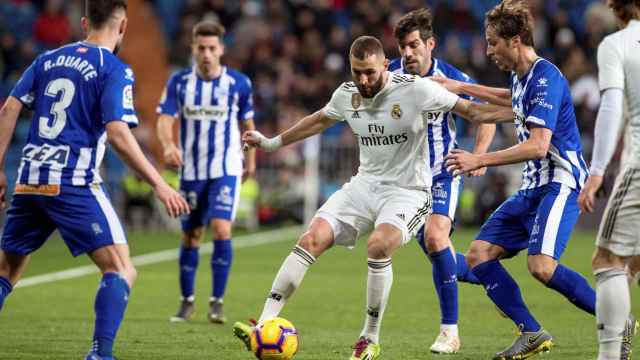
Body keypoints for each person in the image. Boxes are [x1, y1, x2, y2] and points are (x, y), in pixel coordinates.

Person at [232, 35, 512, 360]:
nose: (363, 80)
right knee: (310, 238)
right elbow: (319, 120)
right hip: (364, 185)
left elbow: (474, 113)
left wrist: (521, 112)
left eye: (370, 72)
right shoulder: (347, 94)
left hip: (409, 192)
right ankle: (264, 323)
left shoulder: (415, 89)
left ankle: (369, 337)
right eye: (357, 72)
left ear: (384, 65)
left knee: (378, 245)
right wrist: (270, 143)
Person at [0, 1, 190, 359]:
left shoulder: (46, 59)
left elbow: (9, 109)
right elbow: (118, 133)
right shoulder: (114, 69)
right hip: (72, 181)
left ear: (85, 22)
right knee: (121, 269)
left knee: (6, 270)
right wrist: (159, 184)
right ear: (123, 28)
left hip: (30, 178)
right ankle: (101, 354)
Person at [434, 1, 602, 359]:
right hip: (533, 186)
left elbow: (540, 146)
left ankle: (615, 318)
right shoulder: (521, 77)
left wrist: (479, 158)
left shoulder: (546, 77)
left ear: (516, 40)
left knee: (541, 266)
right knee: (479, 255)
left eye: (494, 42)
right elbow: (508, 100)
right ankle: (531, 332)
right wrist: (454, 87)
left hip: (561, 181)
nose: (488, 50)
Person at [389, 8, 496, 353]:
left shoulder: (451, 78)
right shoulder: (389, 75)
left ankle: (450, 333)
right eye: (403, 47)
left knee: (436, 238)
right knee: (449, 260)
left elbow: (487, 116)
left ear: (430, 44)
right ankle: (501, 284)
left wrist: (478, 155)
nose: (408, 53)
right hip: (405, 182)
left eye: (414, 45)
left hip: (441, 173)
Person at [156, 20, 256, 324]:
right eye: (201, 48)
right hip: (192, 171)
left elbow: (247, 124)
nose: (207, 54)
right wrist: (168, 145)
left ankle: (217, 302)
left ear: (221, 49)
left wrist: (251, 161)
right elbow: (164, 118)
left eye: (212, 48)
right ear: (193, 49)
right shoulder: (179, 82)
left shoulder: (239, 83)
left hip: (225, 168)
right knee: (191, 235)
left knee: (222, 229)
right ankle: (187, 302)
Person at [577, 1, 640, 359]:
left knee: (607, 260)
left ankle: (610, 354)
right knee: (633, 262)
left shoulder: (616, 45)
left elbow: (612, 108)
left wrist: (597, 170)